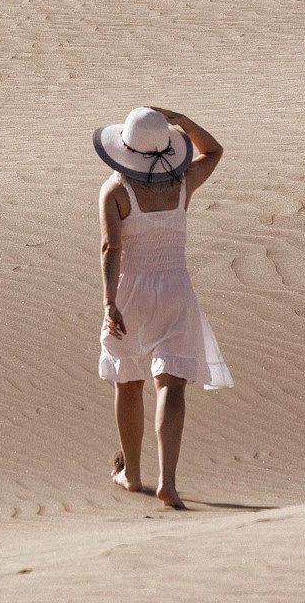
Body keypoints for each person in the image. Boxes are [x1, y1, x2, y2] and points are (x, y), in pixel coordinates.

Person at [93, 105, 231, 509]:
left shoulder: (116, 190)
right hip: (175, 289)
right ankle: (167, 481)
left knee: (128, 380)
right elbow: (214, 151)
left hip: (132, 292)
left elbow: (110, 247)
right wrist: (183, 122)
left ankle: (132, 473)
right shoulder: (184, 183)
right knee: (170, 384)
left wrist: (109, 302)